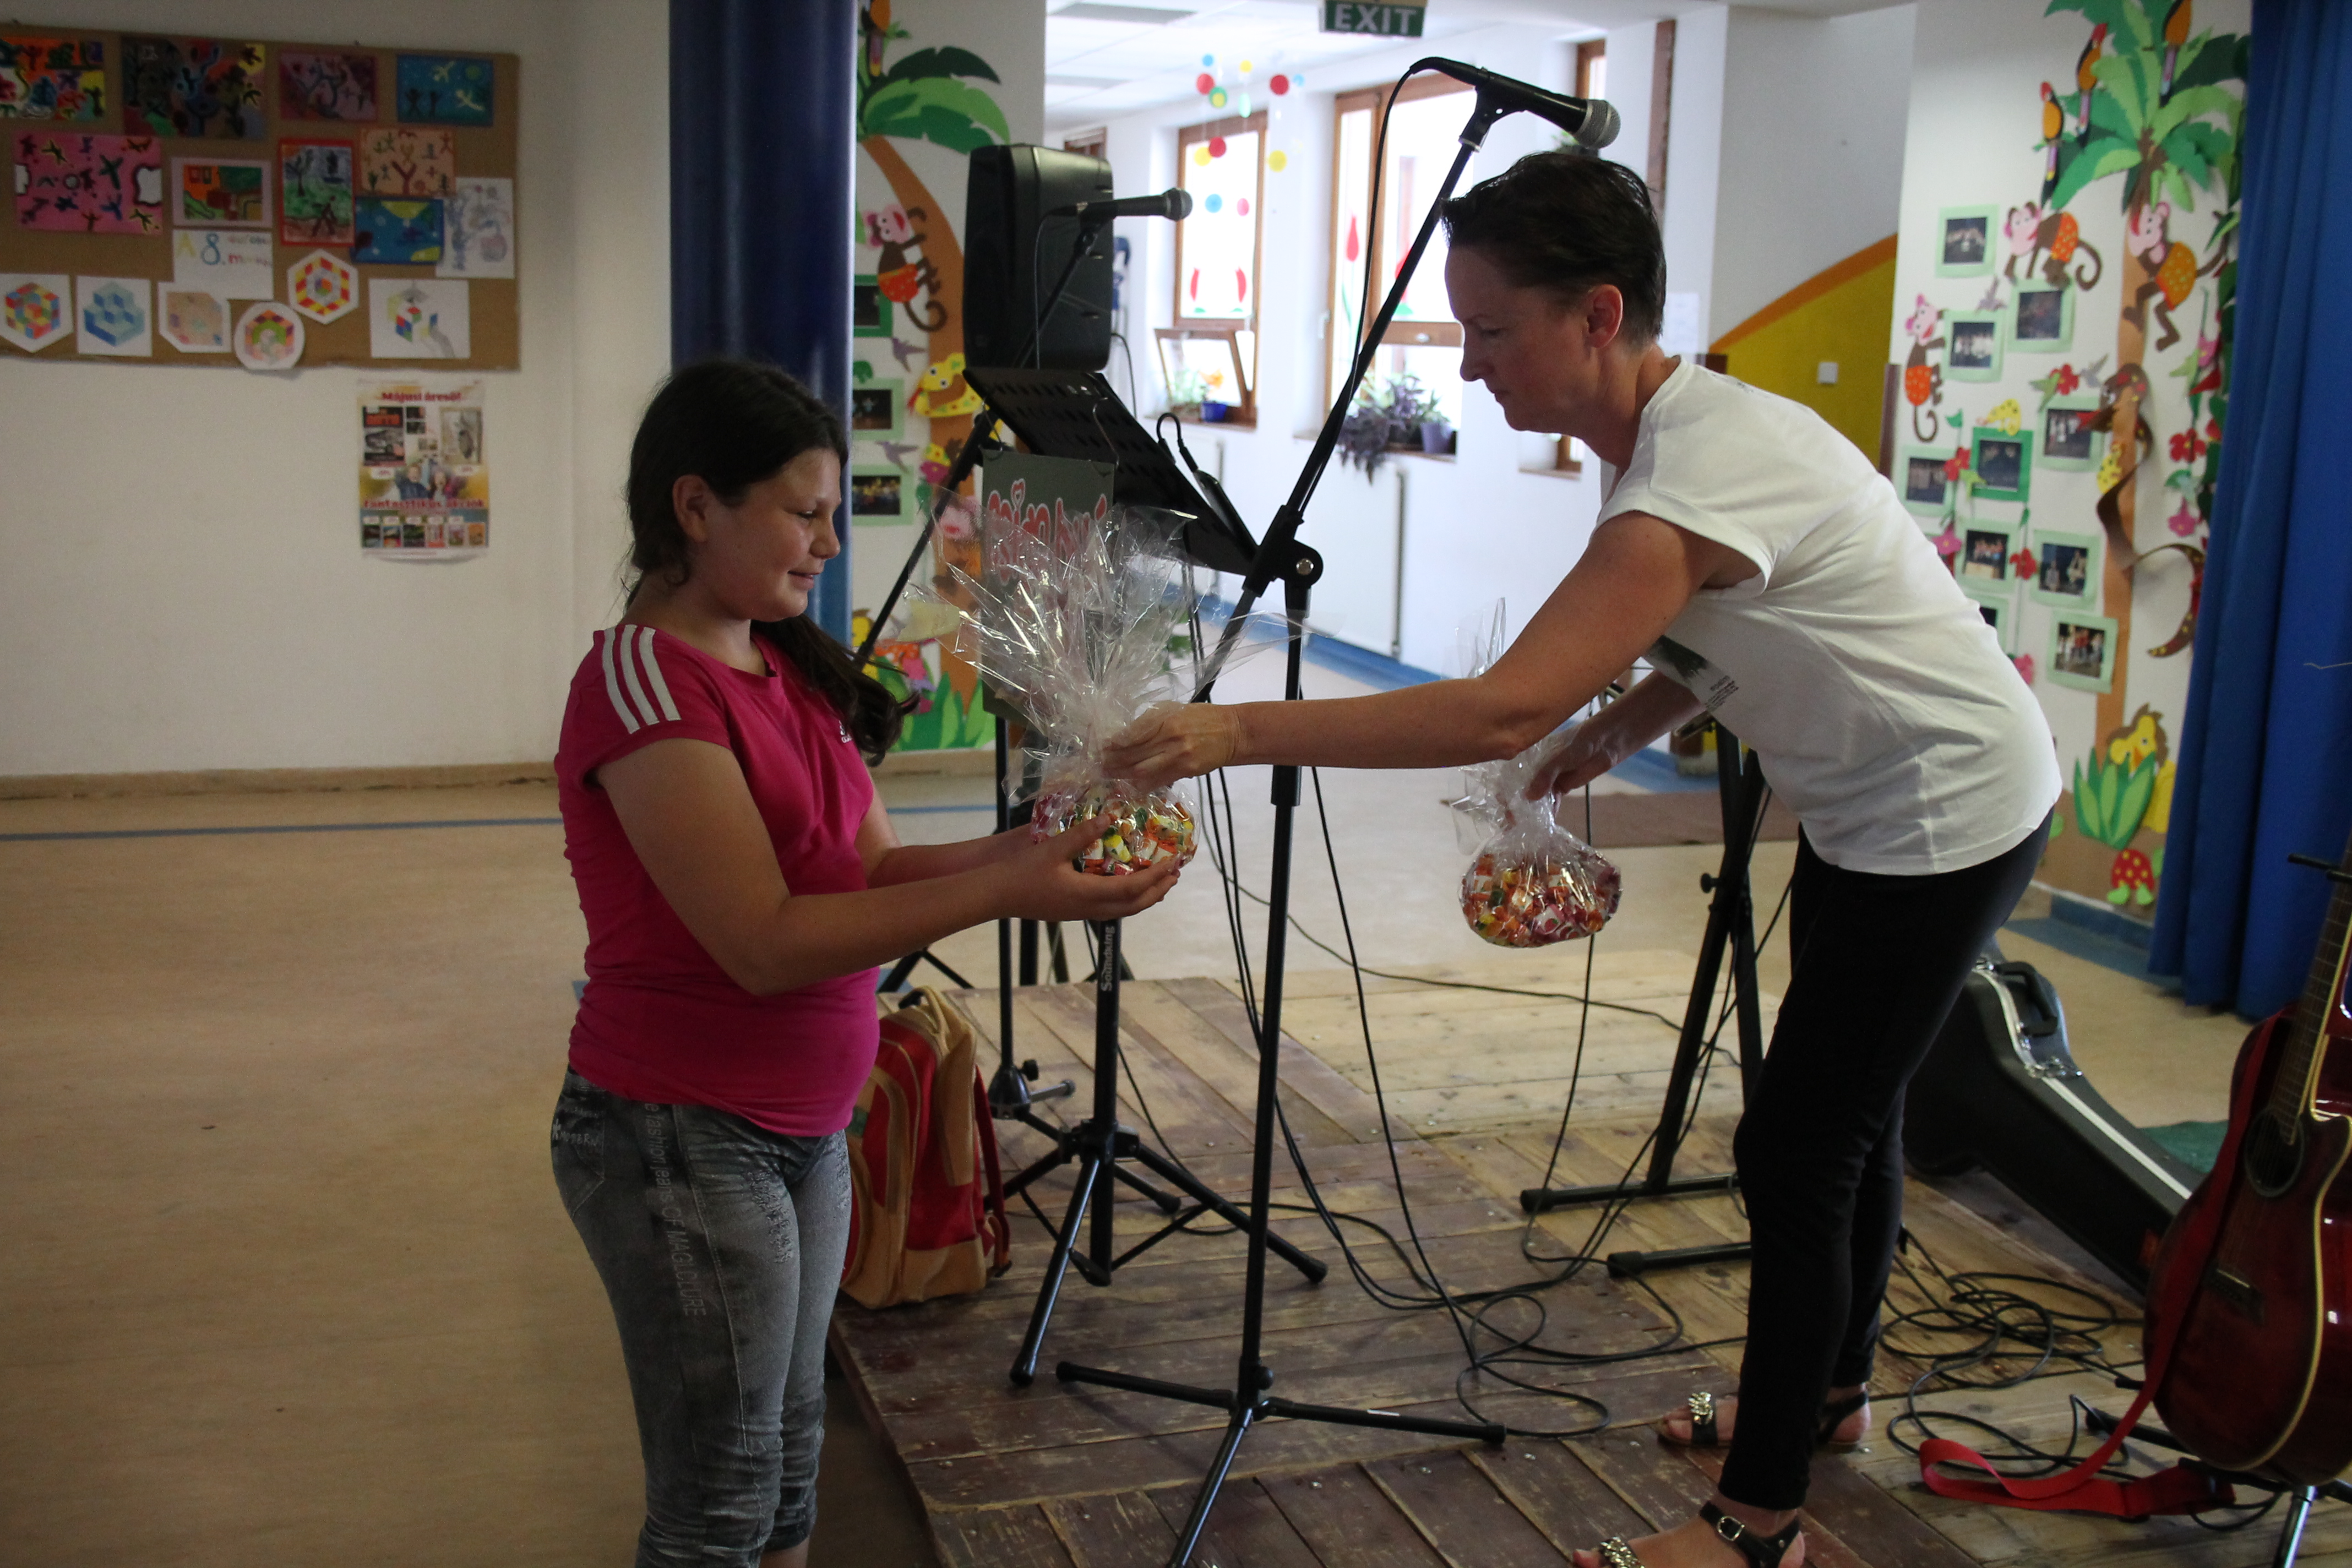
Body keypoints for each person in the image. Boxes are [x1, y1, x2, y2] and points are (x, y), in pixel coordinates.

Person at [1105, 153, 2059, 1568]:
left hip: (1947, 812)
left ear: (1598, 314)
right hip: (1874, 809)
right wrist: (1615, 730)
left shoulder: (1697, 464)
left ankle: (1758, 1521)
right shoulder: (1678, 445)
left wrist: (1237, 725)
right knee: (1846, 1120)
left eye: (1492, 329)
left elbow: (1498, 708)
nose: (1469, 364)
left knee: (1801, 1146)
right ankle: (1828, 1397)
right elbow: (1730, 616)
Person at [551, 360, 1178, 1568]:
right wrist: (1007, 891)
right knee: (718, 1501)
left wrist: (1037, 847)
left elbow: (872, 868)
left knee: (790, 1459)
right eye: (805, 512)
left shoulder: (781, 661)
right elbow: (764, 944)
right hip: (681, 1129)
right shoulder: (643, 684)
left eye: (834, 512)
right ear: (696, 506)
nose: (831, 544)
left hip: (806, 1121)